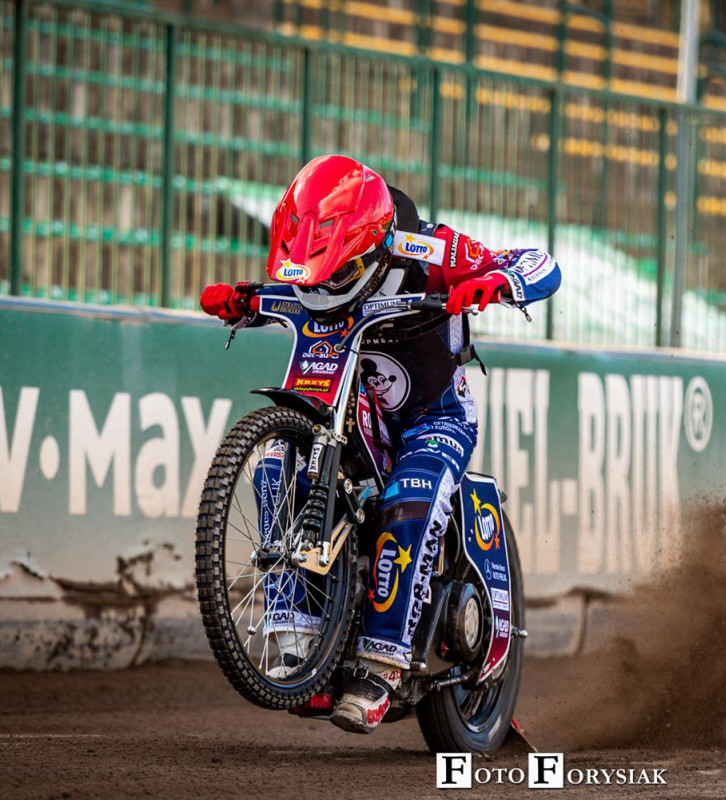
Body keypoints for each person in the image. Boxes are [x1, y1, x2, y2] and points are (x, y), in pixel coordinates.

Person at [198, 155, 560, 733]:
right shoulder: (316, 272)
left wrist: (499, 282)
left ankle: (381, 666)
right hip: (352, 418)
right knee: (276, 465)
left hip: (435, 418)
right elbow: (290, 288)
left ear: (370, 250)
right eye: (310, 277)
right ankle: (298, 637)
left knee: (410, 500)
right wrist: (244, 300)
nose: (320, 290)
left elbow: (539, 263)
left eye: (335, 276)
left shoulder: (434, 251)